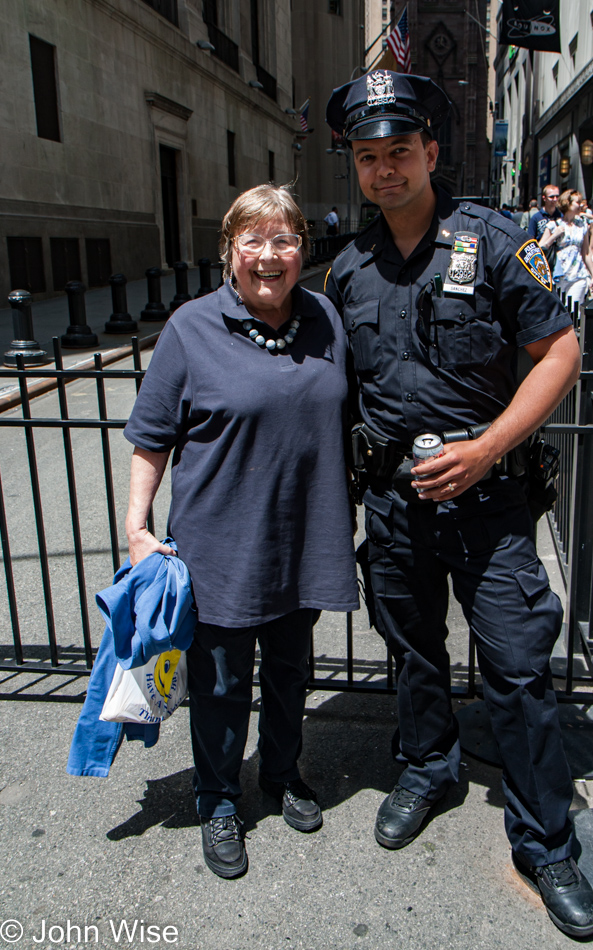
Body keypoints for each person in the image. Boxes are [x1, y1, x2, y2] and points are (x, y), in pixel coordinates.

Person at [325, 70, 593, 938]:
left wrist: (488, 448)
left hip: (489, 510)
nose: (384, 171)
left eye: (398, 152)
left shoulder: (496, 240)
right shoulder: (348, 268)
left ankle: (544, 841)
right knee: (411, 654)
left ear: (430, 153)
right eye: (368, 158)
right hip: (395, 507)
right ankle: (428, 768)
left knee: (518, 670)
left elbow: (558, 351)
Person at [123, 184, 359, 879]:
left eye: (283, 239)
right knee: (221, 681)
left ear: (301, 251)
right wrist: (135, 527)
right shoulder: (191, 329)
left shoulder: (323, 318)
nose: (267, 255)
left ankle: (282, 775)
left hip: (304, 535)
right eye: (251, 240)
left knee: (290, 673)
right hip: (220, 544)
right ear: (228, 250)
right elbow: (149, 436)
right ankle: (218, 796)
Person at [539, 189, 593, 309]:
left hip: (578, 275)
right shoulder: (554, 225)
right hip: (558, 275)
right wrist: (554, 236)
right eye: (578, 202)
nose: (581, 205)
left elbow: (586, 253)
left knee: (573, 312)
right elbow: (540, 248)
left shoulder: (582, 225)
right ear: (567, 203)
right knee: (559, 312)